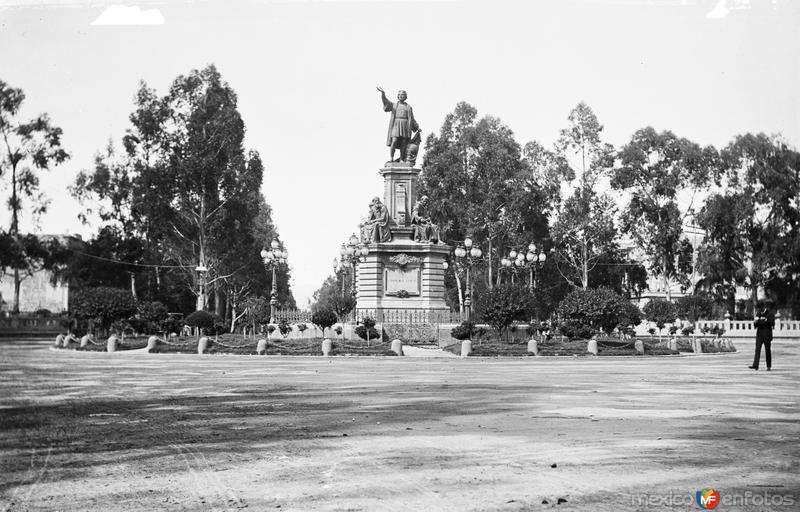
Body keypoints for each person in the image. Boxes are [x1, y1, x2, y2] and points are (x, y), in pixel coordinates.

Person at [377, 86, 419, 164]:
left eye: (402, 95)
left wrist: (416, 127)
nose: (401, 96)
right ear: (398, 96)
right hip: (396, 124)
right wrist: (383, 94)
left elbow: (412, 118)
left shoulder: (409, 107)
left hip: (405, 125)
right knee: (394, 140)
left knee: (403, 142)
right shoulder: (394, 105)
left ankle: (402, 159)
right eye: (399, 94)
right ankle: (392, 158)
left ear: (405, 97)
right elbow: (386, 102)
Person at [749, 301, 774, 371]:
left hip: (767, 334)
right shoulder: (758, 314)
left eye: (760, 308)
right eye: (758, 309)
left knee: (767, 350)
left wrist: (763, 321)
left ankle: (768, 366)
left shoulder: (770, 313)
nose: (759, 310)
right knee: (757, 349)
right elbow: (756, 325)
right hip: (759, 334)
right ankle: (755, 365)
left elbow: (772, 323)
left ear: (763, 307)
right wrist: (758, 321)